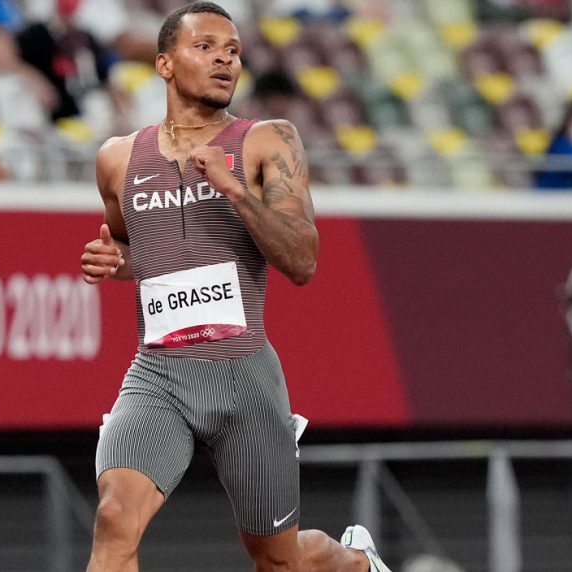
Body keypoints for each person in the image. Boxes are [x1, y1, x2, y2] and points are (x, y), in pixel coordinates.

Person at [78, 3, 390, 571]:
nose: (225, 59)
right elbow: (136, 249)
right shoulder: (117, 159)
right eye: (205, 47)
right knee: (114, 518)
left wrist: (236, 191)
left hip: (243, 377)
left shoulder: (268, 141)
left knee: (277, 560)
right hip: (158, 374)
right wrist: (114, 259)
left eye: (233, 50)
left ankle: (355, 561)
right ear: (164, 64)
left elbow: (303, 261)